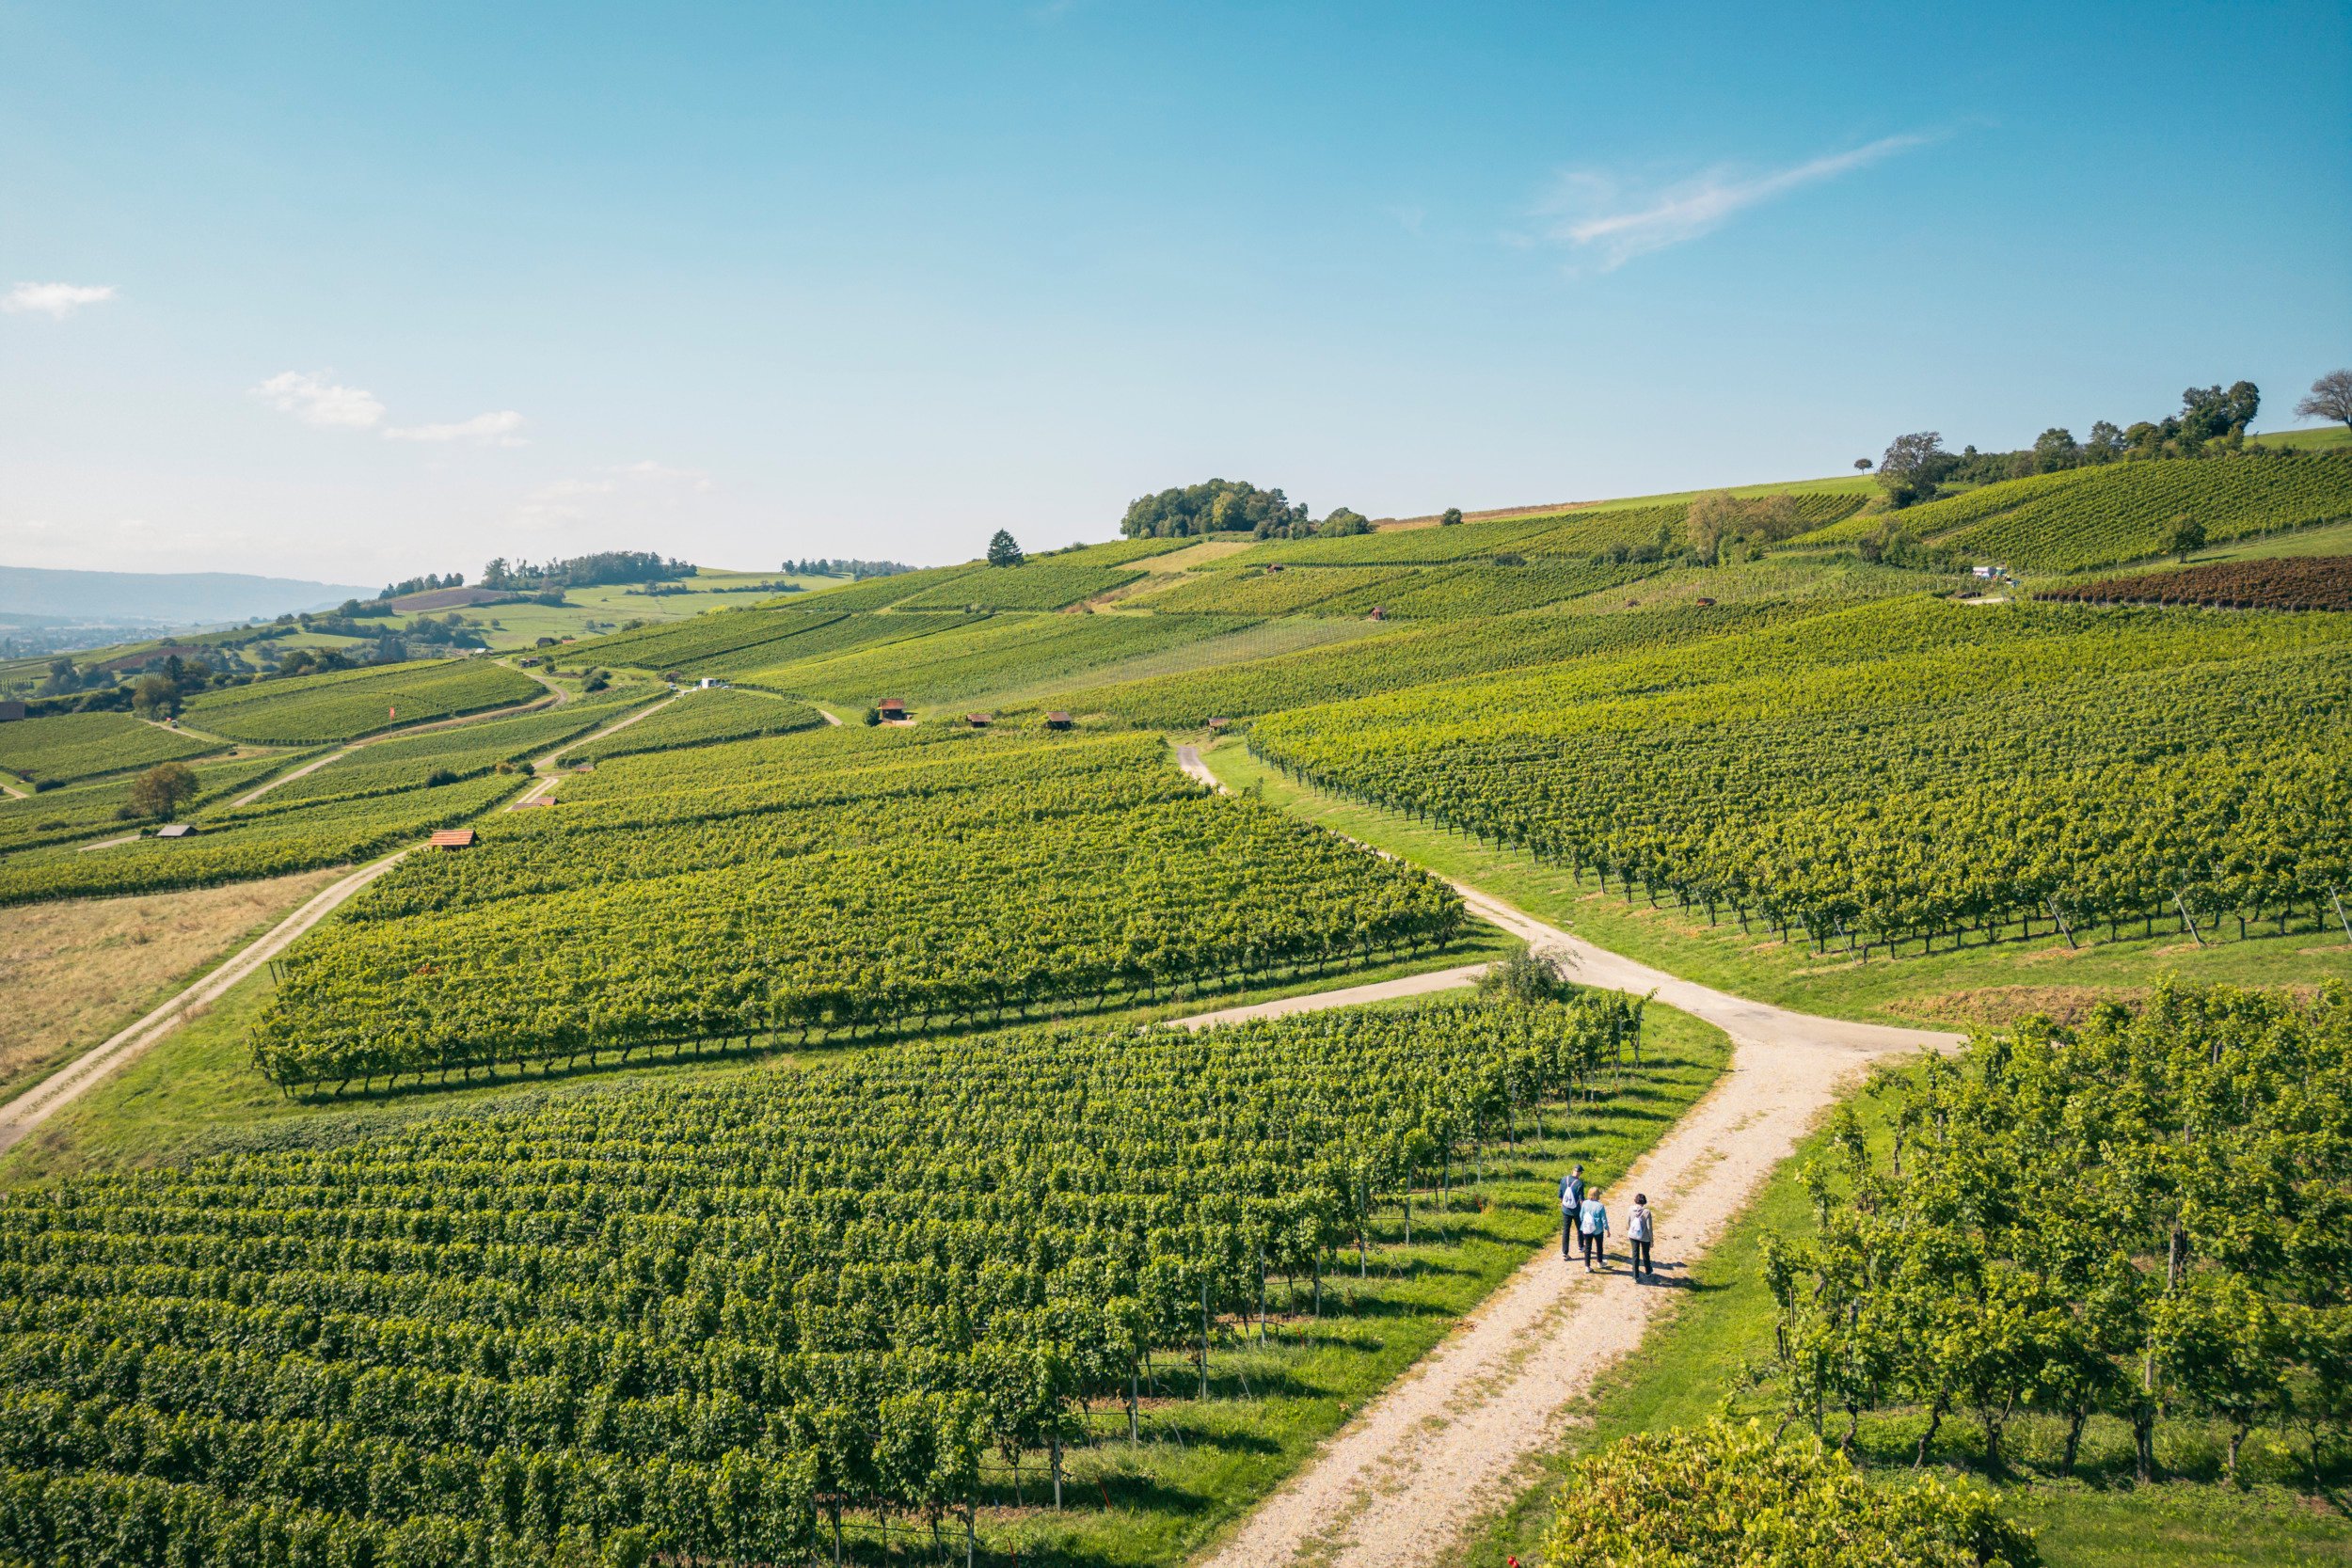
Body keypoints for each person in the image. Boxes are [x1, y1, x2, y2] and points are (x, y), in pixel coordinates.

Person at [1558, 1164, 1585, 1260]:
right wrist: (1584, 1211)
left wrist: (1564, 1205)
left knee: (1566, 1230)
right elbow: (1581, 1199)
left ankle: (1565, 1253)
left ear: (1572, 1170)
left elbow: (1560, 1195)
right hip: (1576, 1211)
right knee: (1580, 1228)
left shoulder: (1564, 1179)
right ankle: (1581, 1246)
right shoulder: (1579, 1183)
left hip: (1565, 1209)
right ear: (1580, 1173)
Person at [1578, 1186, 1610, 1271]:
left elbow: (1581, 1216)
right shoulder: (1600, 1206)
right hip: (1597, 1230)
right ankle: (1599, 1262)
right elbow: (1604, 1219)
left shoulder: (1584, 1203)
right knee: (1599, 1246)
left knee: (1588, 1247)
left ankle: (1587, 1267)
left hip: (1587, 1228)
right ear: (1598, 1195)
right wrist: (1607, 1229)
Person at [1627, 1193, 1655, 1280]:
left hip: (1633, 1235)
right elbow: (1649, 1228)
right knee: (1645, 1254)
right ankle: (1648, 1271)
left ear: (1635, 1200)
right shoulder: (1647, 1212)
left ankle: (1635, 1275)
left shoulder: (1631, 1209)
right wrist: (1651, 1240)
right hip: (1644, 1237)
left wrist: (1630, 1230)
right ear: (1644, 1202)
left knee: (1635, 1254)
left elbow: (1628, 1222)